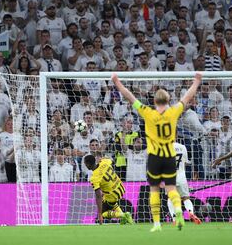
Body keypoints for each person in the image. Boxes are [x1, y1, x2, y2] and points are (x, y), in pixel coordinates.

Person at [111, 72, 202, 232]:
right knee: (172, 189)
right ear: (168, 101)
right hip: (169, 156)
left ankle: (157, 224)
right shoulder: (173, 111)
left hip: (154, 157)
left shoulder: (148, 112)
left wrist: (117, 82)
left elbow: (130, 97)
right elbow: (187, 97)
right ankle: (179, 212)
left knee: (154, 190)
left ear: (154, 101)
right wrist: (196, 82)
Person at [83, 154, 133, 225]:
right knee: (107, 200)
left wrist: (100, 214)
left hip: (113, 195)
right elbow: (111, 160)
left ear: (88, 164)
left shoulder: (94, 178)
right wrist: (103, 158)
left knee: (103, 213)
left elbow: (98, 196)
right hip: (120, 187)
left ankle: (124, 215)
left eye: (85, 163)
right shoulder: (104, 162)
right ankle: (123, 217)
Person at [167, 142, 202, 225]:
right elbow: (185, 162)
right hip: (181, 176)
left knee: (170, 198)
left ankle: (174, 219)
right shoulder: (182, 147)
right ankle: (191, 212)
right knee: (186, 198)